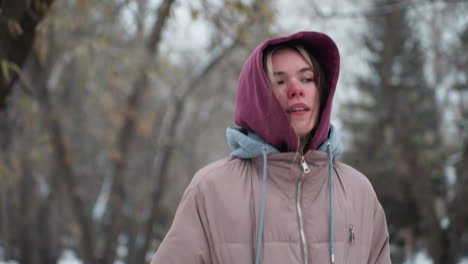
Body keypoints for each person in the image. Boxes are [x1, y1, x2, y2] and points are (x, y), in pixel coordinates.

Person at [151, 31, 391, 264]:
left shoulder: (359, 192)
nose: (296, 89)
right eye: (279, 81)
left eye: (307, 79)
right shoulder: (210, 189)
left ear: (322, 91)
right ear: (256, 97)